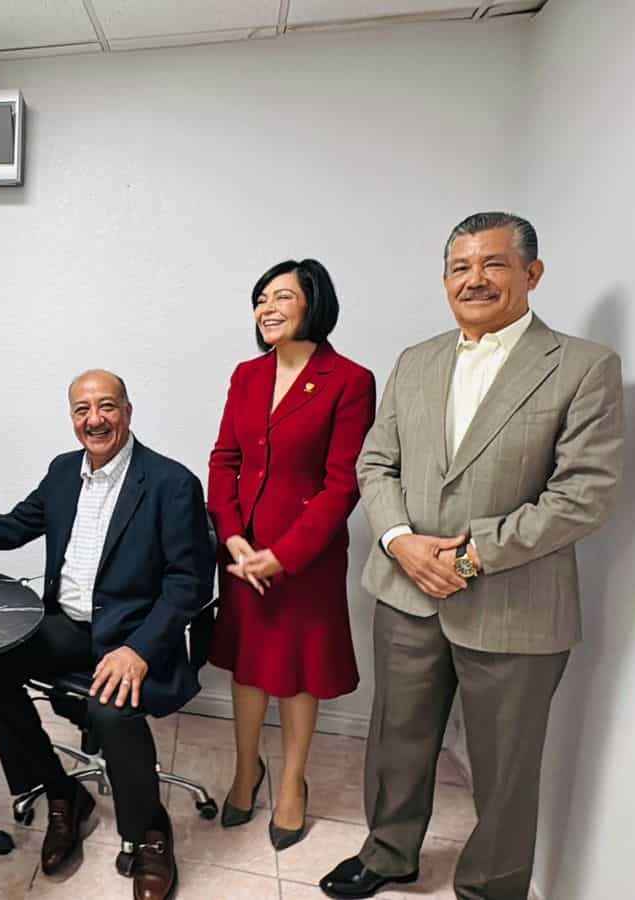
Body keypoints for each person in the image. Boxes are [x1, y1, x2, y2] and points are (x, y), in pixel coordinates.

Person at [319, 213, 624, 900]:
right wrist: (399, 540)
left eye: (493, 264)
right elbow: (376, 462)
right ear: (445, 279)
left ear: (531, 274)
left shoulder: (583, 366)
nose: (474, 279)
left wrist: (470, 557)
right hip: (406, 591)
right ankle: (389, 853)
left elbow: (584, 496)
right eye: (460, 267)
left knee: (505, 767)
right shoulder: (416, 361)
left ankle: (490, 888)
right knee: (396, 741)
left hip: (516, 605)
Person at [0, 369, 210, 900]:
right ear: (72, 418)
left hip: (135, 635)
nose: (95, 419)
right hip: (70, 626)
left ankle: (150, 834)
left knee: (109, 709)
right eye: (82, 409)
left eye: (107, 406)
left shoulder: (171, 482)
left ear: (127, 412)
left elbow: (189, 584)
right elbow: (13, 527)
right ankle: (62, 793)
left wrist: (139, 650)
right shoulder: (63, 471)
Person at [206, 258, 376, 848]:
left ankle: (291, 784)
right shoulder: (246, 375)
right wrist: (232, 535)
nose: (267, 308)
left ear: (313, 302)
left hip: (305, 559)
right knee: (248, 666)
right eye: (261, 299)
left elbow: (342, 484)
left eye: (282, 296)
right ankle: (245, 771)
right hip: (242, 552)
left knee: (297, 673)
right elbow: (224, 459)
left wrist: (284, 555)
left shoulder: (349, 380)